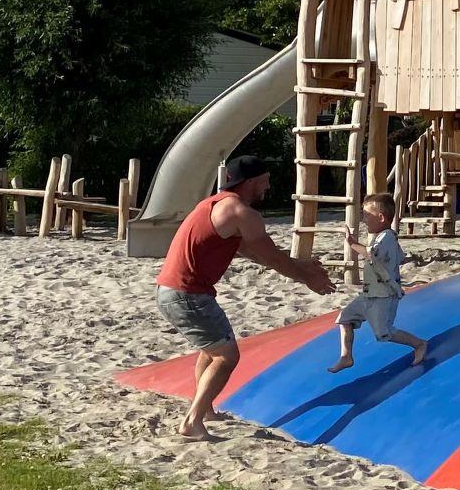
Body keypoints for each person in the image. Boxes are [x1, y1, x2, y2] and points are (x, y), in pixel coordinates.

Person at [155, 154, 335, 441]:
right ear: (251, 181)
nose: (268, 186)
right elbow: (272, 258)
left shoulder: (214, 204)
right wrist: (307, 278)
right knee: (226, 356)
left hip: (174, 291)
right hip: (187, 295)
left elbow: (255, 252)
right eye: (265, 180)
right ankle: (192, 421)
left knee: (211, 348)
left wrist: (299, 265)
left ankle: (206, 410)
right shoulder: (241, 212)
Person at [328, 192, 428, 373]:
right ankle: (346, 356)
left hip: (384, 296)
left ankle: (419, 344)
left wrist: (352, 243)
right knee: (344, 318)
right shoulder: (382, 237)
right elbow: (395, 257)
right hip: (369, 294)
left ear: (381, 217)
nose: (364, 220)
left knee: (384, 333)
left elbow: (371, 254)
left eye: (367, 216)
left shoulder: (387, 236)